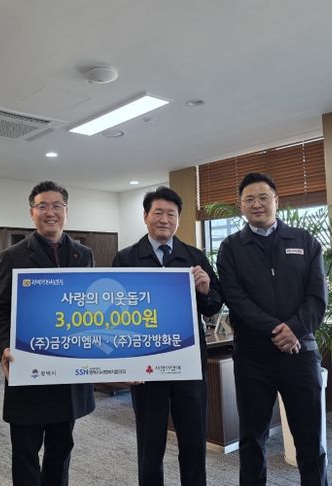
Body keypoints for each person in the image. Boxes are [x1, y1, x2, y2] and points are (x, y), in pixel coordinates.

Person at [216, 172, 328, 486]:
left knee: (310, 438)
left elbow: (317, 296)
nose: (257, 204)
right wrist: (278, 331)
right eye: (249, 199)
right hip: (253, 358)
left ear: (276, 201)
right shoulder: (230, 247)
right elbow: (236, 299)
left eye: (263, 197)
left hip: (300, 352)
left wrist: (294, 329)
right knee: (252, 439)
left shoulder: (304, 241)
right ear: (240, 205)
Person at [112, 186, 222, 486]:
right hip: (146, 368)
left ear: (178, 219)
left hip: (188, 365)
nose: (164, 219)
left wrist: (205, 289)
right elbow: (115, 315)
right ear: (145, 216)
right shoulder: (126, 258)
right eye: (158, 212)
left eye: (171, 214)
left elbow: (214, 306)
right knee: (150, 445)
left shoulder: (194, 256)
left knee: (194, 441)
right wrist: (125, 363)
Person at [0, 180, 95, 486]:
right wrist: (5, 346)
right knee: (25, 451)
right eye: (43, 206)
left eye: (57, 206)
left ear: (66, 211)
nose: (51, 212)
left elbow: (90, 306)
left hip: (68, 370)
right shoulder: (13, 256)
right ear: (31, 213)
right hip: (29, 369)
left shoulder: (84, 254)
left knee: (61, 450)